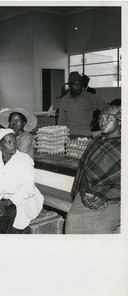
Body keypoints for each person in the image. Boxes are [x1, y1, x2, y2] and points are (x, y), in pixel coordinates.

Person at [65, 105, 121, 234]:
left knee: (99, 228)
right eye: (101, 119)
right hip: (89, 192)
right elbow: (84, 173)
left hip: (116, 197)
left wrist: (104, 196)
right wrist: (83, 191)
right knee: (72, 218)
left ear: (120, 120)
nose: (103, 122)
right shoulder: (95, 142)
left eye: (108, 118)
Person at [0, 128, 44, 234]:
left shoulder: (24, 160)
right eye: (9, 142)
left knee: (10, 212)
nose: (13, 145)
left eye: (14, 141)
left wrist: (7, 203)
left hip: (24, 199)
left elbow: (27, 189)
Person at [58, 71, 108, 139]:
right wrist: (60, 137)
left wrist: (98, 122)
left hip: (86, 135)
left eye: (80, 84)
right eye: (76, 84)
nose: (79, 86)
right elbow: (61, 121)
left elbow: (107, 109)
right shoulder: (64, 100)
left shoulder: (90, 97)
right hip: (69, 136)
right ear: (70, 86)